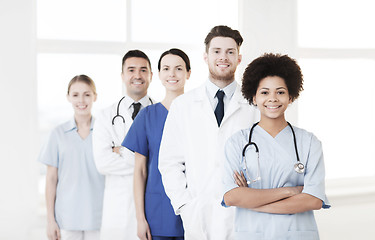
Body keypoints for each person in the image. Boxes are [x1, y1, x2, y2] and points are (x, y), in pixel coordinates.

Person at [158, 26, 256, 239]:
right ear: (206, 56)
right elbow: (169, 162)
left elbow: (266, 158)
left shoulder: (254, 105)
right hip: (198, 217)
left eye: (230, 52)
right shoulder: (183, 105)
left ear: (239, 58)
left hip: (243, 215)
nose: (223, 57)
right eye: (217, 51)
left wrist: (255, 187)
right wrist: (185, 205)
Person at [222, 53, 330, 239]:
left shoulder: (309, 142)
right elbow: (231, 197)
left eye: (280, 92)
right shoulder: (237, 142)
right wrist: (290, 191)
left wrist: (252, 200)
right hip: (253, 234)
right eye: (264, 92)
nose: (273, 98)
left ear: (290, 96)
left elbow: (313, 200)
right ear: (254, 97)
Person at [122, 48, 190, 240]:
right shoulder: (147, 115)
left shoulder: (197, 115)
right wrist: (140, 218)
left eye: (178, 68)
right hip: (157, 213)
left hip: (192, 210)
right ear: (159, 74)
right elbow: (140, 171)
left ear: (188, 73)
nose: (172, 74)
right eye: (166, 68)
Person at [92, 50, 153, 240]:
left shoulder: (161, 114)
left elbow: (164, 162)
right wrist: (144, 159)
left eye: (143, 70)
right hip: (117, 209)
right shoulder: (105, 115)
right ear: (122, 76)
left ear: (151, 75)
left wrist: (121, 151)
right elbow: (102, 163)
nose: (137, 75)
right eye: (131, 70)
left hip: (150, 205)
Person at [38, 75, 105, 240]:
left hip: (99, 218)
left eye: (87, 94)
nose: (81, 100)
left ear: (95, 96)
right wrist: (50, 220)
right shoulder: (57, 134)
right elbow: (51, 180)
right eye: (75, 95)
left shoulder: (104, 132)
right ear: (68, 97)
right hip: (66, 220)